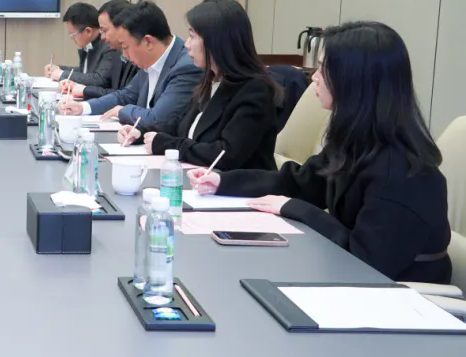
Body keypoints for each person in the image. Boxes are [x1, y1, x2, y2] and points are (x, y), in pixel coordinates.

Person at [189, 22, 451, 283]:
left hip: (402, 296)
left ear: (354, 80)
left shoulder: (402, 172)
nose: (314, 76)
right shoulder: (357, 141)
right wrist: (223, 181)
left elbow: (367, 263)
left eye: (324, 69)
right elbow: (300, 182)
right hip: (343, 274)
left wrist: (296, 209)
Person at [117, 0, 281, 170]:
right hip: (200, 178)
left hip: (238, 185)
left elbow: (226, 154)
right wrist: (141, 133)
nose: (187, 45)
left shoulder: (254, 90)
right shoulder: (211, 80)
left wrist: (169, 145)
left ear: (216, 41)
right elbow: (179, 125)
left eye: (192, 36)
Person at [58, 1, 200, 127]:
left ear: (148, 42)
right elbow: (125, 96)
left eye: (125, 47)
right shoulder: (150, 60)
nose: (124, 56)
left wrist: (122, 111)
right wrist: (83, 107)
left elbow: (158, 119)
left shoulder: (186, 67)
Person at [60, 0, 138, 99]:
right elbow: (119, 93)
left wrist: (84, 91)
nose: (102, 37)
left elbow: (123, 95)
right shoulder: (118, 52)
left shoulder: (111, 50)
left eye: (104, 30)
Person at [43, 3, 113, 88]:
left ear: (88, 31)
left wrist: (62, 74)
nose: (72, 38)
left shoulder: (109, 47)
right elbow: (84, 72)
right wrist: (59, 69)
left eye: (73, 34)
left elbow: (99, 79)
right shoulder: (90, 45)